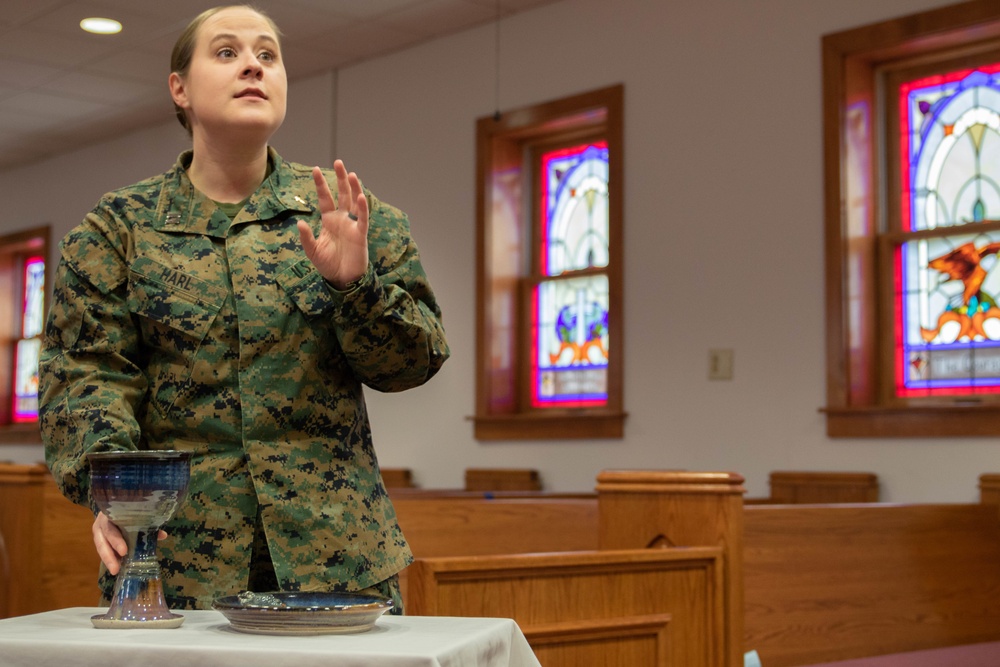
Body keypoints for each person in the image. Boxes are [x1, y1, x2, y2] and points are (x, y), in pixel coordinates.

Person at [38, 4, 449, 612]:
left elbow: (413, 363)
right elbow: (86, 378)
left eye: (268, 55)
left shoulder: (350, 215)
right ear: (179, 88)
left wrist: (354, 289)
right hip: (176, 563)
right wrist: (116, 494)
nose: (253, 66)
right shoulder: (116, 232)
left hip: (337, 561)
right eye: (227, 52)